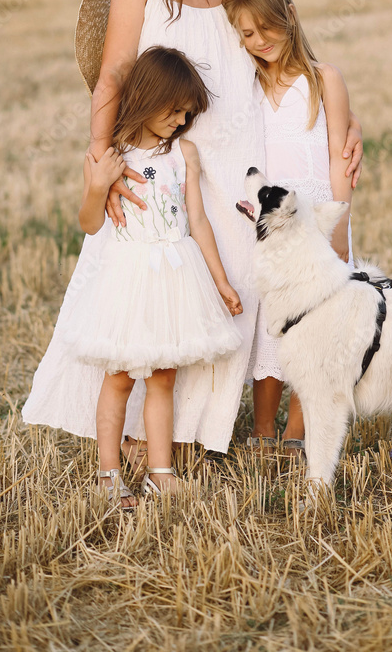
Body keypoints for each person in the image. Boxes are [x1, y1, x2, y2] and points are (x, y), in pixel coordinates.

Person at [22, 0, 363, 464]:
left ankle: (194, 432)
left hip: (236, 169)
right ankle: (130, 435)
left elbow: (281, 60)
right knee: (146, 294)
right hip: (159, 165)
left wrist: (344, 123)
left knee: (223, 302)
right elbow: (115, 73)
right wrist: (100, 161)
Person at [31, 47, 243, 506]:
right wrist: (96, 184)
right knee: (120, 378)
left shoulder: (183, 154)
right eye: (175, 109)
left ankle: (159, 472)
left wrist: (222, 282)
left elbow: (198, 222)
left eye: (188, 113)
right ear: (148, 97)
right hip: (128, 279)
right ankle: (109, 475)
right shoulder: (112, 155)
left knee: (164, 377)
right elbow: (90, 222)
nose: (181, 119)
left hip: (176, 276)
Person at [223, 0, 354, 457]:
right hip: (270, 224)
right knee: (270, 325)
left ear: (291, 16)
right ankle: (262, 432)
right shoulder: (248, 87)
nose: (260, 42)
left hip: (317, 219)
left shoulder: (324, 80)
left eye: (267, 28)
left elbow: (341, 156)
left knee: (314, 324)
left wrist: (338, 228)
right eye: (248, 35)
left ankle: (297, 433)